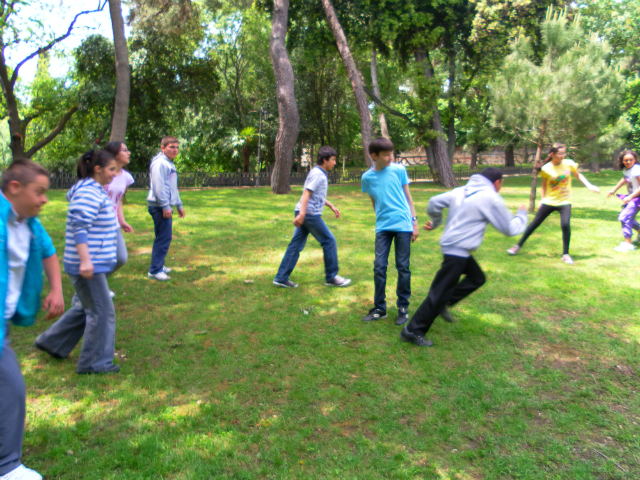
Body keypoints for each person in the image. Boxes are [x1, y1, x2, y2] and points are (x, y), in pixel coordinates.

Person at [400, 168, 527, 347]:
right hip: (457, 251)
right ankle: (412, 330)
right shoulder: (491, 198)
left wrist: (436, 221)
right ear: (497, 182)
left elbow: (434, 202)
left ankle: (446, 301)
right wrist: (521, 215)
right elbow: (509, 229)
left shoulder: (460, 191)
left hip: (454, 248)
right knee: (438, 294)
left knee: (477, 277)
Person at [0, 159, 64, 480]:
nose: (44, 199)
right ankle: (8, 468)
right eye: (39, 192)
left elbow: (47, 250)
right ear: (15, 188)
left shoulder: (28, 223)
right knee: (10, 386)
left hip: (3, 323)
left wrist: (56, 289)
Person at [34, 150, 120, 375]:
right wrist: (85, 261)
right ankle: (94, 364)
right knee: (101, 312)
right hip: (87, 266)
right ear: (98, 169)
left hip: (92, 263)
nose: (115, 173)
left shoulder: (93, 191)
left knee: (87, 306)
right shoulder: (87, 193)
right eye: (112, 169)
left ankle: (53, 342)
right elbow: (79, 227)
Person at [507, 143, 600, 264]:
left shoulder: (569, 164)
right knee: (534, 224)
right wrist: (541, 200)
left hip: (564, 201)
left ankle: (565, 254)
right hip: (549, 201)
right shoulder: (546, 168)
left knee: (565, 224)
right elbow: (545, 184)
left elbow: (578, 175)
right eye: (559, 154)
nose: (562, 156)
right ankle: (518, 246)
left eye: (564, 153)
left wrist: (590, 185)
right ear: (552, 154)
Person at [273, 146, 351, 288]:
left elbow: (317, 195)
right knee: (329, 241)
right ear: (324, 159)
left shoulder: (320, 173)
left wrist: (331, 206)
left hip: (306, 213)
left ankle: (281, 277)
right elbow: (306, 193)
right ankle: (332, 277)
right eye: (333, 160)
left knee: (296, 245)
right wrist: (302, 214)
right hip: (309, 214)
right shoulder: (317, 174)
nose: (334, 163)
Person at [361, 137, 419, 326]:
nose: (390, 158)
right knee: (379, 266)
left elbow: (408, 198)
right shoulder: (366, 178)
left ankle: (403, 307)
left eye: (391, 153)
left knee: (402, 266)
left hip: (403, 224)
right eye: (386, 155)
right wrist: (380, 218)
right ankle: (380, 308)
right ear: (374, 156)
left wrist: (414, 222)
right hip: (383, 227)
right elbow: (374, 200)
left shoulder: (399, 170)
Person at [147, 136, 185, 281]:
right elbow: (159, 186)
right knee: (164, 237)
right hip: (159, 206)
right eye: (171, 147)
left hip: (164, 205)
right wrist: (165, 206)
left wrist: (179, 205)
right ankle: (155, 270)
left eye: (176, 147)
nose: (175, 150)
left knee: (162, 237)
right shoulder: (159, 164)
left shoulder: (168, 163)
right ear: (163, 148)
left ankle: (159, 265)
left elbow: (172, 188)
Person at [103, 142, 135, 274]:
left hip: (113, 222)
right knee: (100, 260)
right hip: (98, 223)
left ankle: (97, 287)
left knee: (121, 258)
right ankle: (90, 291)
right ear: (115, 155)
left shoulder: (127, 177)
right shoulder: (102, 173)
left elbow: (118, 200)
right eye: (124, 150)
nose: (129, 153)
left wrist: (122, 221)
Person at [607, 150, 640, 252]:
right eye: (626, 160)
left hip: (637, 198)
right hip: (633, 198)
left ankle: (628, 244)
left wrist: (630, 197)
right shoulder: (627, 170)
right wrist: (614, 189)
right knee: (627, 218)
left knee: (624, 217)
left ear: (635, 160)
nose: (628, 162)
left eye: (631, 160)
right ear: (622, 161)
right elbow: (624, 178)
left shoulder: (636, 170)